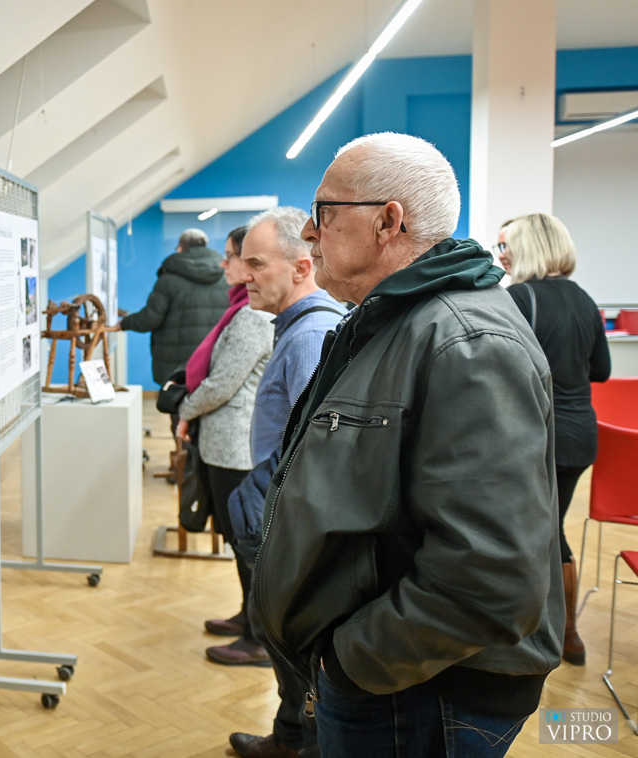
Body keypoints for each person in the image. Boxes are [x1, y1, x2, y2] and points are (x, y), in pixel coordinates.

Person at [254, 132, 562, 758]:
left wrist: (350, 661)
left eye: (323, 213)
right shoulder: (390, 320)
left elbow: (490, 573)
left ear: (388, 222)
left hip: (421, 688)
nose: (309, 234)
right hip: (395, 675)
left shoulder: (467, 342)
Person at [215, 209, 344, 758]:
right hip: (283, 520)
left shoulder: (310, 334)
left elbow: (316, 452)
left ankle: (299, 744)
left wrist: (259, 508)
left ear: (301, 267)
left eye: (257, 264)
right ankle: (290, 737)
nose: (244, 276)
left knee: (298, 656)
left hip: (291, 529)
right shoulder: (297, 328)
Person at [500, 212, 611, 666]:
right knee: (551, 527)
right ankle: (566, 635)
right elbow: (601, 370)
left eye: (506, 246)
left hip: (539, 436)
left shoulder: (518, 298)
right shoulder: (584, 299)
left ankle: (549, 631)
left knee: (537, 531)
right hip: (581, 436)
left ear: (529, 247)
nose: (501, 255)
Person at [172, 227, 273, 642]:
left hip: (236, 449)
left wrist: (184, 410)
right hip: (227, 445)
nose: (223, 263)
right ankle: (247, 618)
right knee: (236, 539)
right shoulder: (240, 309)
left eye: (230, 256)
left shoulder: (251, 316)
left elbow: (222, 384)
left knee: (246, 542)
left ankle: (258, 637)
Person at [119, 228, 230, 386]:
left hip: (176, 363)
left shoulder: (168, 279)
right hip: (212, 357)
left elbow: (150, 319)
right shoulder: (226, 278)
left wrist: (125, 323)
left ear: (181, 248)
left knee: (175, 398)